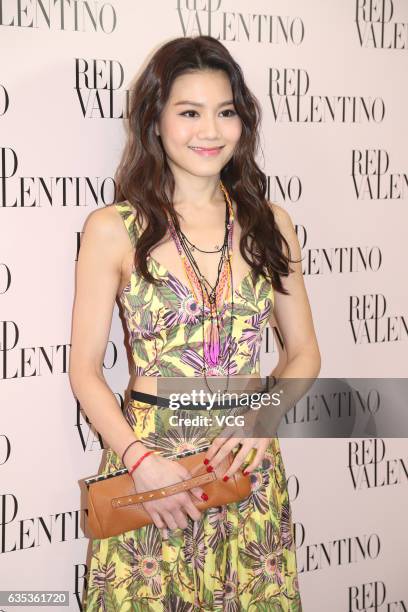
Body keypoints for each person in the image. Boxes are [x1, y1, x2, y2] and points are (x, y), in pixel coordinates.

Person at [69, 35, 321, 611]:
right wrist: (140, 465)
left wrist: (264, 418)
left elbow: (304, 352)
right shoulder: (113, 227)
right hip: (150, 469)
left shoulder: (269, 222)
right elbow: (84, 371)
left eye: (226, 112)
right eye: (189, 112)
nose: (211, 130)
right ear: (154, 121)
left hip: (245, 467)